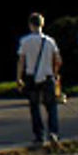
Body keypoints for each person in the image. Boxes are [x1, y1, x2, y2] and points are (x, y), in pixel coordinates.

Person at [15, 12, 62, 146]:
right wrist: (55, 73)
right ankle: (53, 132)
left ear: (30, 25)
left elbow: (21, 61)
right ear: (42, 24)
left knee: (34, 107)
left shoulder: (25, 41)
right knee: (51, 106)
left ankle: (39, 135)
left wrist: (18, 78)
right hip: (48, 76)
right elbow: (58, 60)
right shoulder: (50, 41)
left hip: (31, 77)